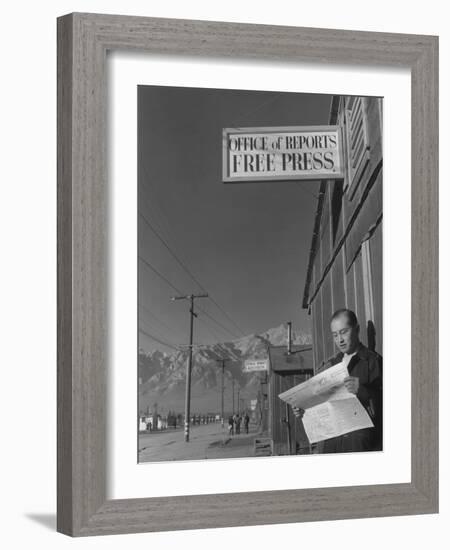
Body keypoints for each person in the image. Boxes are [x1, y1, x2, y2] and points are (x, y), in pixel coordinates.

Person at [293, 308, 382, 453]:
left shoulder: (372, 361)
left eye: (343, 332)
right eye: (335, 335)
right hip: (330, 445)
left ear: (357, 329)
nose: (339, 340)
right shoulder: (329, 366)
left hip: (359, 446)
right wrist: (304, 410)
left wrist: (363, 391)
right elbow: (321, 406)